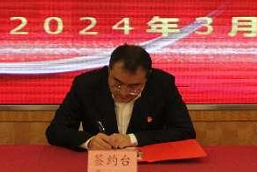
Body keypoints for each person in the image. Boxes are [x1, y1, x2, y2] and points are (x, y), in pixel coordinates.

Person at [46, 44, 195, 150]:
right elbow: (55, 131)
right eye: (117, 83)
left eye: (133, 87)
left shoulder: (162, 84)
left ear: (147, 77)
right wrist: (89, 141)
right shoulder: (86, 84)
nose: (123, 92)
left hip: (147, 167)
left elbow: (185, 131)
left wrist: (133, 139)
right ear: (109, 70)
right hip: (99, 166)